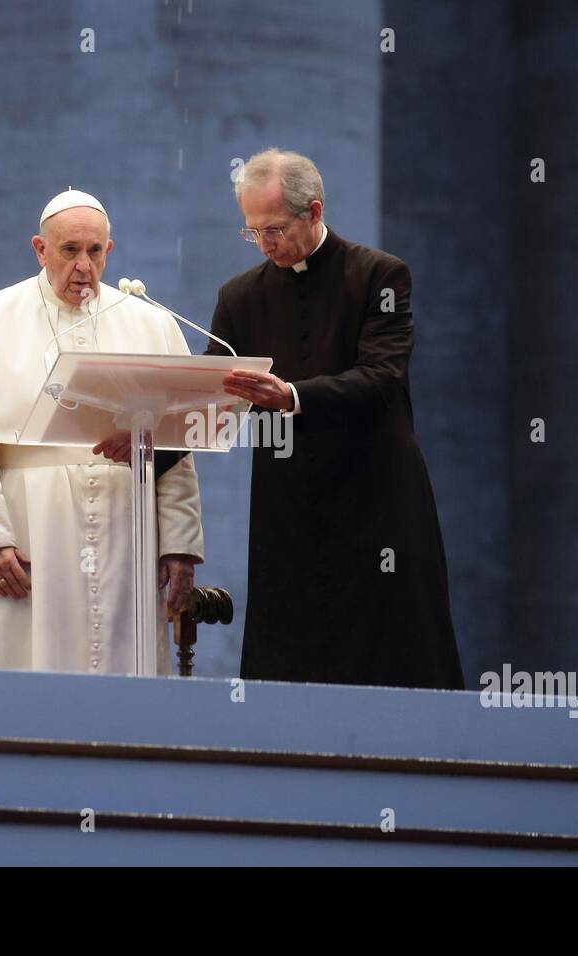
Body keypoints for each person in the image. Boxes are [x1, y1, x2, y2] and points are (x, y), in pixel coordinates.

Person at [207, 149, 463, 690]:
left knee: (392, 657)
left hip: (377, 500)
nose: (264, 244)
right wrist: (141, 437)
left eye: (274, 229)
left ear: (315, 212)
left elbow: (383, 376)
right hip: (288, 508)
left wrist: (292, 395)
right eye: (252, 232)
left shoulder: (380, 277)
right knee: (290, 661)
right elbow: (211, 399)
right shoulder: (239, 297)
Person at [0, 189, 204, 675]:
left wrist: (179, 543)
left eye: (95, 252)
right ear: (40, 249)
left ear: (109, 251)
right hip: (29, 530)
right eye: (69, 250)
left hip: (126, 530)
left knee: (121, 665)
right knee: (22, 664)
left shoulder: (151, 323)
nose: (83, 266)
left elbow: (175, 449)